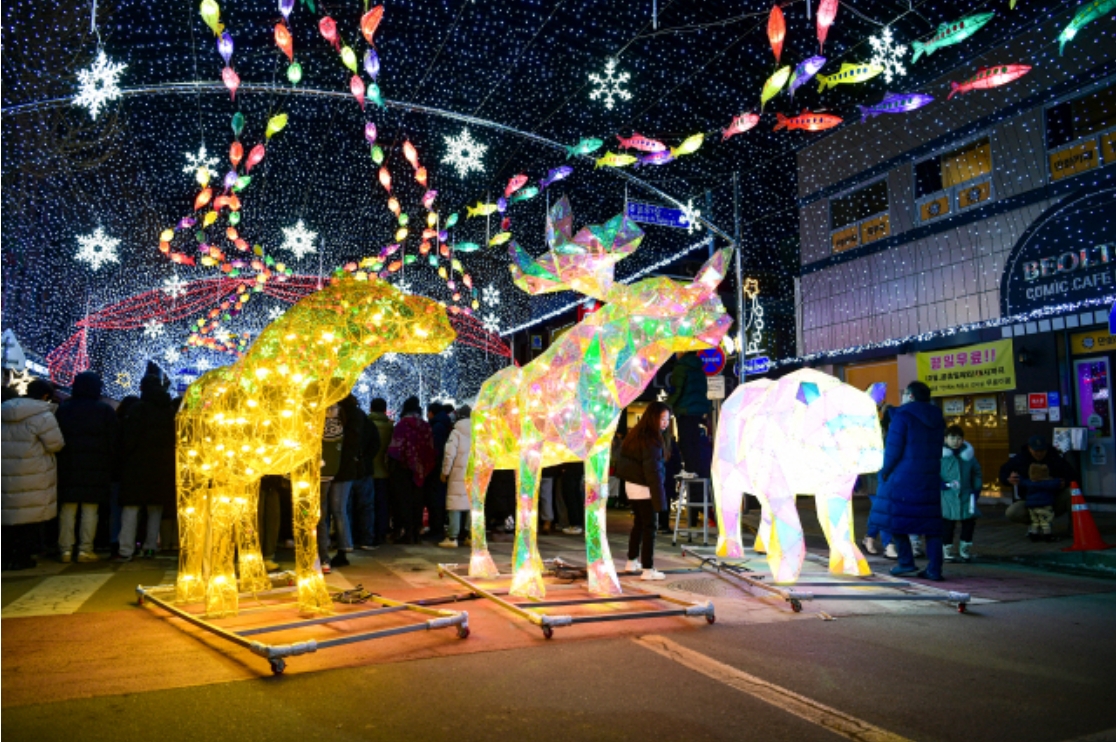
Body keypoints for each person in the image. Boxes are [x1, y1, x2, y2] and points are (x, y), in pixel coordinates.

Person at [868, 381, 946, 581]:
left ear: (910, 395)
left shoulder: (902, 416)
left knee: (895, 519)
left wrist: (884, 471)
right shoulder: (938, 417)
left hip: (903, 478)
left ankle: (905, 562)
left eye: (904, 394)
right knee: (932, 526)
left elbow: (893, 450)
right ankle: (934, 569)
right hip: (929, 477)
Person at [54, 371, 117, 564]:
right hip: (96, 467)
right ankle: (85, 549)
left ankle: (65, 550)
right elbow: (113, 440)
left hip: (68, 465)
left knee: (68, 509)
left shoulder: (64, 409)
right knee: (90, 509)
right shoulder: (104, 410)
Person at [1, 379, 64, 571]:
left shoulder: (3, 411)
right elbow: (56, 444)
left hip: (5, 472)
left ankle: (4, 558)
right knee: (29, 520)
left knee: (7, 517)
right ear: (45, 396)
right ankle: (22, 558)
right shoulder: (43, 416)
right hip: (33, 473)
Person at [115, 368, 176, 562]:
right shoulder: (169, 411)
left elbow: (128, 439)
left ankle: (126, 549)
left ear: (142, 388)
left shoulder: (137, 409)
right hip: (161, 466)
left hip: (136, 465)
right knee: (155, 508)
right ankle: (150, 547)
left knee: (131, 508)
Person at [615, 401, 673, 581]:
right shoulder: (652, 439)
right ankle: (648, 569)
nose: (665, 423)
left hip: (631, 485)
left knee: (639, 524)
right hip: (644, 487)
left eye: (667, 419)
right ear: (653, 417)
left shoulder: (635, 434)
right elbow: (653, 470)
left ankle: (631, 561)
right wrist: (660, 500)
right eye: (662, 418)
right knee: (650, 527)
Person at [999, 436, 1078, 540]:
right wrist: (1008, 479)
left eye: (1042, 451)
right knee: (1012, 512)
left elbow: (1072, 475)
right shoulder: (1020, 459)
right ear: (1029, 448)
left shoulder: (1054, 458)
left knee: (1071, 493)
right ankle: (1035, 524)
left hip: (1052, 499)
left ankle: (1075, 528)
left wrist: (1064, 482)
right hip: (1031, 501)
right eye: (1036, 451)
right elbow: (1004, 471)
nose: (1039, 454)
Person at [321, 395, 363, 569]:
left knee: (326, 511)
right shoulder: (356, 414)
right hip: (346, 469)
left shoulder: (333, 412)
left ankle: (325, 552)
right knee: (339, 510)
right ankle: (343, 548)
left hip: (330, 468)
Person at [387, 396, 435, 544]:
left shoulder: (402, 425)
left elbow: (395, 449)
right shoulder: (425, 426)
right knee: (418, 501)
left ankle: (406, 532)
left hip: (402, 470)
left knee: (403, 501)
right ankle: (416, 532)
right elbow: (430, 448)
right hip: (421, 470)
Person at [940, 425, 982, 562]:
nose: (955, 441)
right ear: (945, 439)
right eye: (952, 438)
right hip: (946, 495)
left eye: (959, 438)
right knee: (947, 523)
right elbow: (931, 473)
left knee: (969, 522)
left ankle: (965, 549)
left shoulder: (968, 457)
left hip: (966, 495)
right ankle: (947, 549)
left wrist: (976, 489)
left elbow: (976, 473)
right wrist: (940, 484)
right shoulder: (940, 456)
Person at [666, 352, 710, 476]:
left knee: (685, 440)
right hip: (697, 410)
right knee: (694, 440)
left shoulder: (680, 368)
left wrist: (666, 406)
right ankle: (696, 469)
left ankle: (690, 470)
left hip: (684, 409)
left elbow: (676, 391)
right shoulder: (699, 369)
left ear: (682, 352)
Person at [349, 397, 381, 551]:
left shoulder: (343, 421)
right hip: (365, 470)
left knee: (345, 507)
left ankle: (347, 540)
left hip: (346, 471)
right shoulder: (367, 423)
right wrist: (366, 458)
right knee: (366, 506)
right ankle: (366, 539)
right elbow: (376, 444)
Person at [317, 402, 345, 573]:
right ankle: (323, 559)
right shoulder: (339, 425)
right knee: (321, 515)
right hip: (329, 475)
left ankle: (318, 557)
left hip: (315, 474)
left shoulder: (316, 425)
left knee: (313, 516)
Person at [439, 404, 472, 548]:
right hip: (475, 473)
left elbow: (449, 454)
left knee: (454, 504)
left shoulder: (456, 432)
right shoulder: (480, 432)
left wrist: (445, 472)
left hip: (458, 473)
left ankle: (452, 537)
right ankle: (471, 536)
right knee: (472, 504)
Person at [367, 398, 394, 545]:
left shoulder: (366, 425)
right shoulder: (391, 427)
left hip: (368, 471)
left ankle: (368, 533)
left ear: (370, 409)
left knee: (367, 504)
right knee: (383, 504)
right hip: (384, 472)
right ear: (385, 410)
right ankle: (382, 533)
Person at [425, 402, 453, 541]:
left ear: (431, 412)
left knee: (435, 499)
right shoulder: (445, 423)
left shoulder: (437, 426)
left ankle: (436, 530)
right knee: (439, 499)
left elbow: (435, 449)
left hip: (436, 469)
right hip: (441, 468)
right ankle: (437, 529)